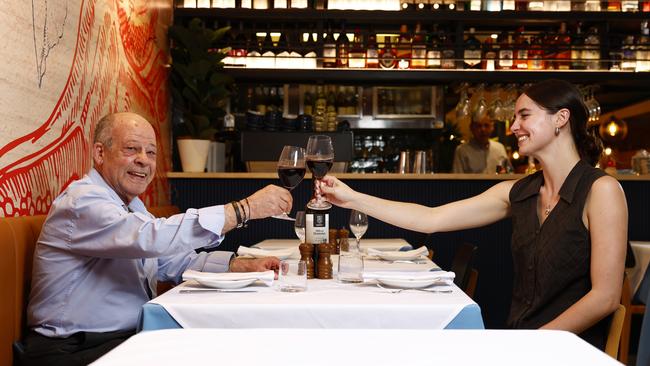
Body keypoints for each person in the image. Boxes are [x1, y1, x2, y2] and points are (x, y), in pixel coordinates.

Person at [319, 79, 627, 349]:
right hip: (520, 343)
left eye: (524, 115)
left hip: (569, 350)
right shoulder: (518, 191)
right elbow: (431, 219)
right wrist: (353, 198)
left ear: (561, 118)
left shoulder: (601, 191)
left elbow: (606, 296)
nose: (513, 127)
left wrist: (538, 344)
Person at [18, 112, 293, 366]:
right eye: (131, 149)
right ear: (100, 153)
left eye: (151, 152)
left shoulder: (131, 207)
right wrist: (243, 209)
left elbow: (172, 261)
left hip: (119, 340)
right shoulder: (82, 202)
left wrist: (238, 265)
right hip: (69, 351)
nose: (144, 160)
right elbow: (150, 239)